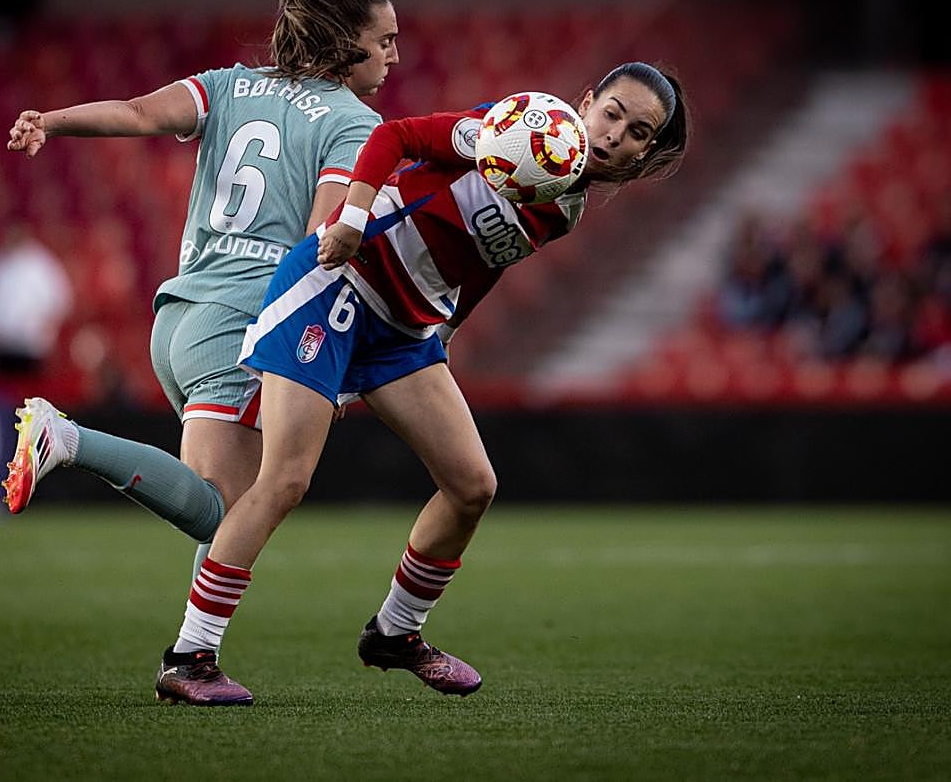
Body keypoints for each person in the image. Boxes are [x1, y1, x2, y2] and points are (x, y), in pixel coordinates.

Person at [153, 61, 689, 705]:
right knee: (286, 478)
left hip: (404, 327)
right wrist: (351, 214)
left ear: (645, 151)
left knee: (472, 486)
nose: (614, 135)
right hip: (337, 284)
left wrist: (452, 325)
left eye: (637, 132)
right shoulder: (517, 129)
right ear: (588, 100)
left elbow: (488, 259)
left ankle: (394, 634)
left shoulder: (568, 205)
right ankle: (189, 657)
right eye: (612, 112)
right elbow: (398, 136)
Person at [2, 0, 399, 580]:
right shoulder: (352, 123)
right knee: (225, 514)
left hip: (178, 317)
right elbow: (321, 245)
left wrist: (50, 121)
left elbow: (137, 113)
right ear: (348, 43)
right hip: (238, 327)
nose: (394, 56)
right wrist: (326, 359)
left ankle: (192, 661)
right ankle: (67, 437)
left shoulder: (230, 85)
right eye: (384, 41)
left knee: (221, 502)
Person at [0, 223, 73, 376]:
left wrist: (48, 323)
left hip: (32, 345)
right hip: (1, 344)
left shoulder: (42, 265)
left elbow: (61, 298)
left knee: (31, 394)